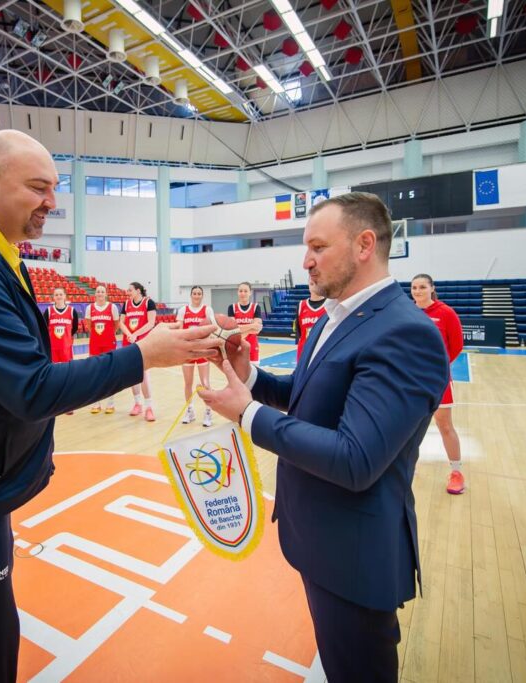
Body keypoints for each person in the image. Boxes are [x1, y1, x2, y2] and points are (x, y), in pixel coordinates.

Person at [0, 129, 220, 683]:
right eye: (38, 188)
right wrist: (143, 356)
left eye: (54, 188)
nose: (52, 202)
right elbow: (31, 389)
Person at [200, 192, 448, 682]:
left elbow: (356, 459)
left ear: (364, 245)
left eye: (317, 247)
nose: (306, 261)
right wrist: (248, 376)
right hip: (320, 535)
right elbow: (308, 394)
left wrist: (247, 414)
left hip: (353, 554)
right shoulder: (336, 316)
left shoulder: (405, 332)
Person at [410, 274, 466, 494]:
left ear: (432, 288)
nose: (418, 291)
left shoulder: (446, 312)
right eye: (414, 287)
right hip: (411, 380)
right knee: (410, 426)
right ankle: (408, 465)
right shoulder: (407, 311)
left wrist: (436, 367)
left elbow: (457, 345)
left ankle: (456, 472)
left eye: (422, 287)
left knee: (444, 425)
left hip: (437, 379)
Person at [176, 285, 217, 427]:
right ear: (191, 295)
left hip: (202, 350)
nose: (197, 296)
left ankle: (208, 411)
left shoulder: (207, 310)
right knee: (188, 383)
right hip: (187, 351)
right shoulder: (183, 310)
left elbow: (212, 329)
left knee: (205, 383)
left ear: (202, 295)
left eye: (199, 293)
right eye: (194, 293)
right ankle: (190, 411)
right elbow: (179, 330)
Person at [120, 281, 158, 421]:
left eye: (130, 290)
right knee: (133, 374)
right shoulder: (126, 304)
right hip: (129, 341)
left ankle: (149, 407)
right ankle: (137, 404)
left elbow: (151, 323)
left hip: (143, 342)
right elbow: (121, 322)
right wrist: (129, 334)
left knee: (143, 374)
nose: (127, 292)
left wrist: (135, 334)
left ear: (138, 290)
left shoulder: (149, 303)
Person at [85, 284, 121, 414]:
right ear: (95, 294)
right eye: (98, 291)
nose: (100, 293)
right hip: (95, 343)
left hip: (109, 343)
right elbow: (88, 325)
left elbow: (116, 324)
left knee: (110, 372)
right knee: (95, 372)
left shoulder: (113, 307)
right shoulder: (89, 308)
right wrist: (97, 335)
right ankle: (96, 403)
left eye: (102, 291)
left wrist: (108, 335)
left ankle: (110, 403)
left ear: (106, 294)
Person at [44, 287, 79, 414]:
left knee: (68, 376)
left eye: (60, 294)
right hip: (52, 349)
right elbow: (43, 328)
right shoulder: (48, 311)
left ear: (65, 296)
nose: (58, 296)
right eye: (56, 294)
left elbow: (74, 328)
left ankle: (69, 404)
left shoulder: (72, 311)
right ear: (53, 297)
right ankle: (54, 402)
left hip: (66, 348)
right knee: (53, 376)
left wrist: (67, 339)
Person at [228, 282, 263, 364]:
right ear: (237, 292)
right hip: (236, 346)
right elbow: (233, 329)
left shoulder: (256, 307)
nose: (243, 293)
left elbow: (256, 330)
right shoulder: (232, 307)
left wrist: (239, 329)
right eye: (240, 291)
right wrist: (252, 326)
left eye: (245, 291)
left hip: (252, 346)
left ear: (250, 292)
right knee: (237, 371)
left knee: (254, 372)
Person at [293, 281, 326, 361]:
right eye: (311, 283)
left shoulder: (330, 304)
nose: (314, 285)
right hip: (304, 352)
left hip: (323, 351)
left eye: (317, 282)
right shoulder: (301, 305)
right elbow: (299, 331)